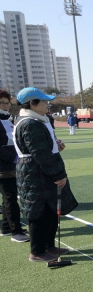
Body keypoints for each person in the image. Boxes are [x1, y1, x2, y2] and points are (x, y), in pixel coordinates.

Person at [13, 87, 78, 262]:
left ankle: (49, 246)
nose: (47, 104)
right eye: (43, 101)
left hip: (39, 174)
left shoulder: (37, 120)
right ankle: (37, 251)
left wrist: (56, 145)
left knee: (50, 211)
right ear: (32, 104)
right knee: (39, 214)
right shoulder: (29, 123)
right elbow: (40, 155)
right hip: (36, 175)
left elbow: (43, 149)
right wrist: (58, 175)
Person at [0, 89, 29, 243]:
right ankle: (16, 232)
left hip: (12, 166)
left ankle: (6, 227)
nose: (6, 106)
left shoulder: (8, 119)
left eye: (7, 103)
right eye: (2, 103)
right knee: (10, 198)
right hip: (3, 168)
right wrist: (15, 156)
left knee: (8, 198)